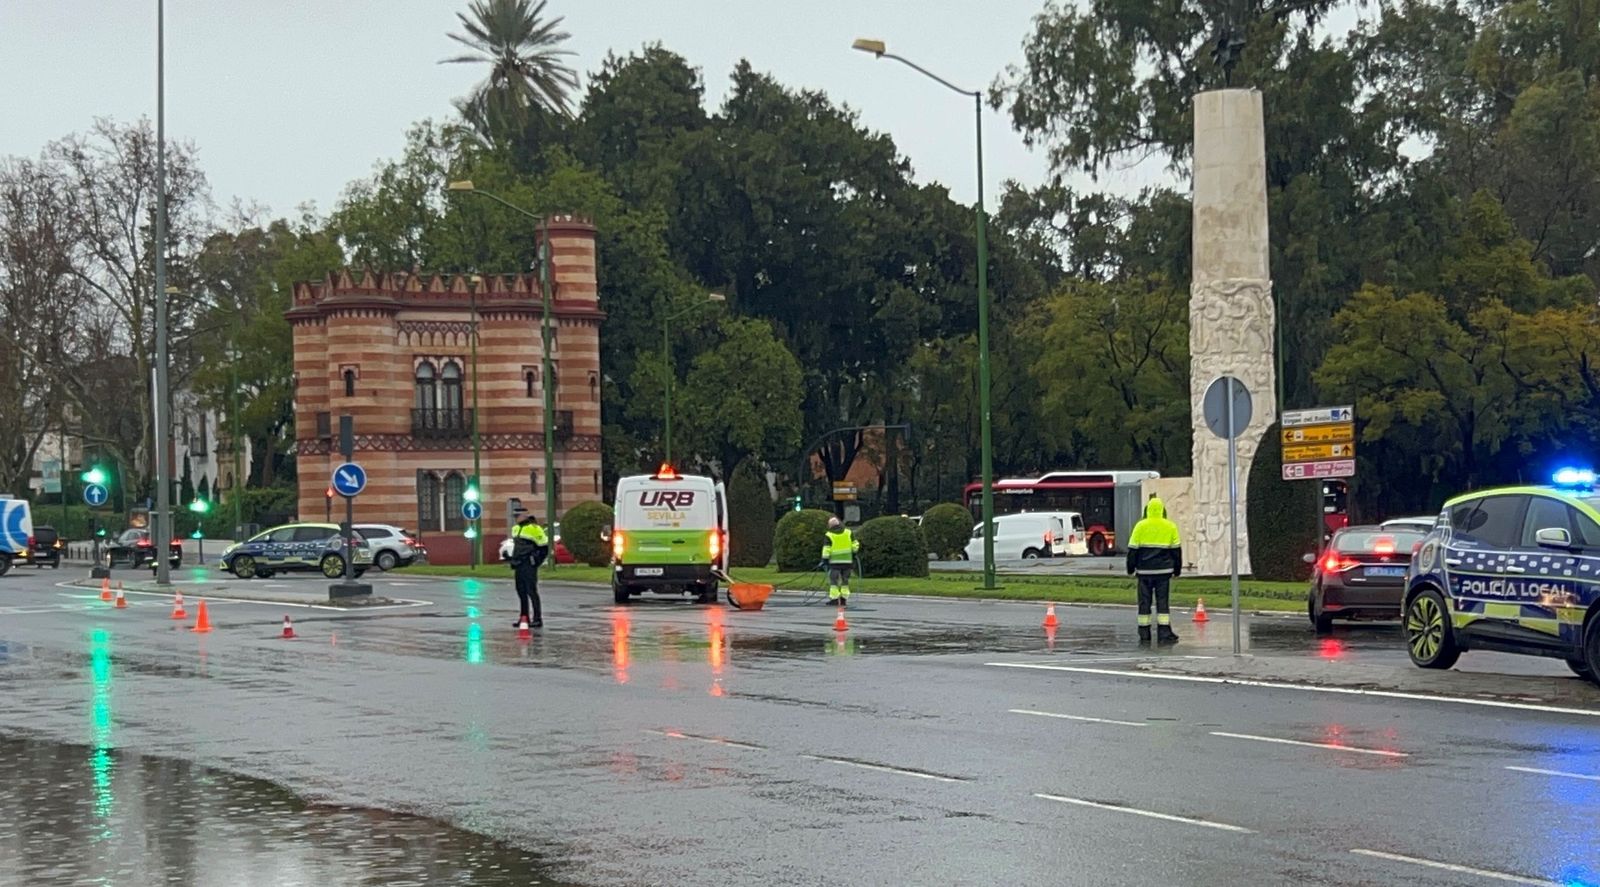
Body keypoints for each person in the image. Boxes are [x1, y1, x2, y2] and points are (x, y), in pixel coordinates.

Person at [1126, 496, 1182, 644]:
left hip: (1144, 572)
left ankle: (1144, 633)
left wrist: (1130, 569)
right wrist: (1177, 570)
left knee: (1144, 602)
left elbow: (1132, 550)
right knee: (1162, 602)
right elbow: (1176, 551)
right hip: (1163, 572)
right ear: (1163, 511)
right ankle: (1164, 632)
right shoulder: (1170, 526)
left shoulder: (1140, 526)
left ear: (1147, 510)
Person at [509, 512, 550, 628]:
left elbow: (544, 547)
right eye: (515, 516)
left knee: (531, 591)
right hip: (519, 564)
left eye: (518, 516)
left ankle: (537, 618)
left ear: (525, 516)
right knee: (521, 591)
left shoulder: (535, 528)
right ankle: (524, 617)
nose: (516, 518)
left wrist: (536, 561)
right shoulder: (515, 529)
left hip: (529, 564)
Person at [821, 517, 861, 606]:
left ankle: (834, 599)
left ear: (830, 526)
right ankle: (844, 599)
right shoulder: (848, 532)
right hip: (847, 562)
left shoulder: (829, 535)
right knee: (845, 581)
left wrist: (825, 559)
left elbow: (827, 548)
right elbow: (855, 544)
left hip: (835, 563)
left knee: (834, 581)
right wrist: (853, 553)